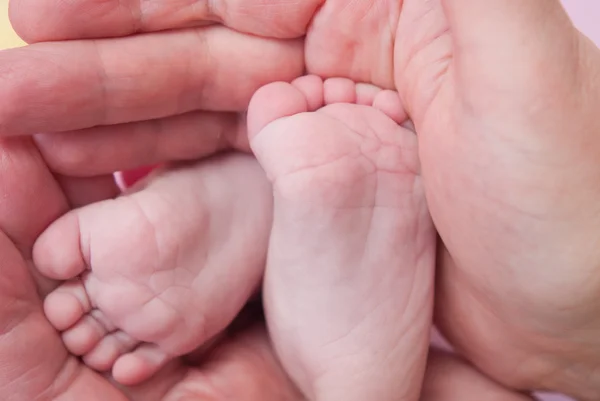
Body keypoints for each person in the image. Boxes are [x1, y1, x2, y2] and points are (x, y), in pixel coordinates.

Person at [0, 0, 598, 399]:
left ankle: (251, 191)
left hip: (361, 91)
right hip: (445, 116)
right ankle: (260, 199)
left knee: (208, 109)